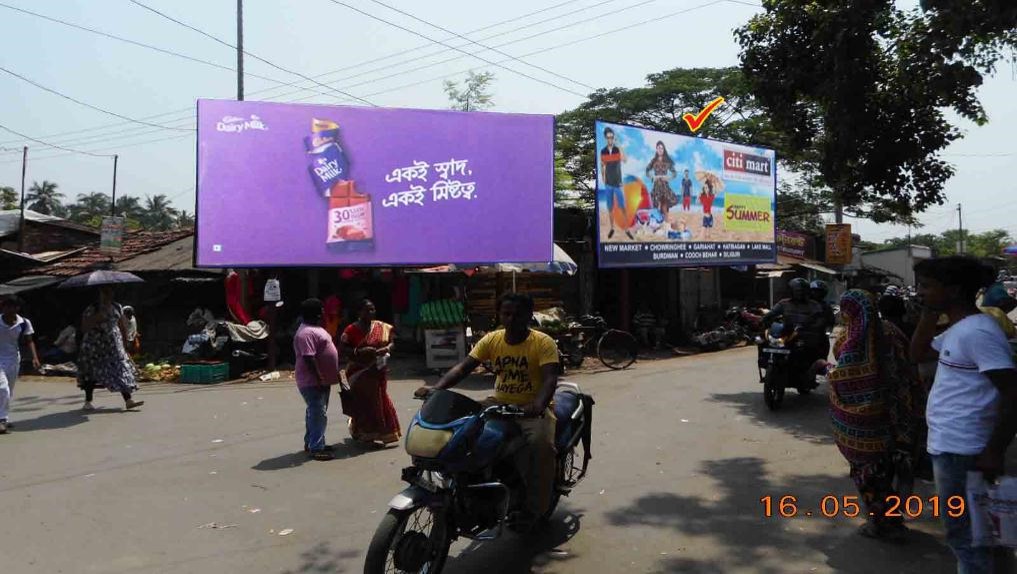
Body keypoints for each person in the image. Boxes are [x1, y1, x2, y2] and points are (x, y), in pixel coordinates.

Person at [910, 256, 1017, 573]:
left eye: (927, 286)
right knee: (979, 535)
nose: (920, 292)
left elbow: (1013, 392)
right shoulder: (961, 328)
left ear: (954, 290)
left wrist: (994, 450)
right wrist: (929, 313)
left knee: (967, 538)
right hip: (951, 447)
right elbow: (918, 353)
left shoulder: (978, 333)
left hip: (965, 450)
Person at [415, 293, 559, 524]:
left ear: (529, 315)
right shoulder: (492, 339)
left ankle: (536, 508)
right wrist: (437, 389)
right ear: (499, 315)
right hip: (498, 402)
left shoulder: (543, 342)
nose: (511, 319)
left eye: (518, 314)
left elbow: (550, 378)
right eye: (506, 313)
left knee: (541, 446)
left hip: (531, 409)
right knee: (460, 429)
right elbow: (463, 368)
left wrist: (538, 405)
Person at [829, 290, 921, 540]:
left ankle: (883, 524)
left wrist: (825, 370)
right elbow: (909, 365)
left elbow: (841, 375)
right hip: (896, 415)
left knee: (869, 477)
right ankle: (892, 519)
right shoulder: (891, 331)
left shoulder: (849, 337)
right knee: (889, 469)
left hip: (864, 426)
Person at [338, 299, 401, 446]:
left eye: (373, 309)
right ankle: (366, 434)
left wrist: (388, 348)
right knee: (365, 403)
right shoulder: (351, 330)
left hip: (378, 370)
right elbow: (343, 349)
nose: (371, 312)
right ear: (359, 312)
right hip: (359, 372)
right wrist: (359, 351)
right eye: (367, 310)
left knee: (380, 399)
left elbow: (392, 341)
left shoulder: (381, 326)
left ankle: (385, 433)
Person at [76, 286, 144, 411]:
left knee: (120, 369)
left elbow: (121, 325)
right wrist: (97, 317)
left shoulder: (117, 307)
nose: (107, 295)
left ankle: (128, 400)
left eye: (109, 292)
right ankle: (88, 401)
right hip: (94, 346)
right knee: (91, 373)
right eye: (105, 292)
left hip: (114, 345)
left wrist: (125, 342)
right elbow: (84, 328)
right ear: (100, 294)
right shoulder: (92, 308)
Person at [293, 298, 340, 461]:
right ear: (317, 313)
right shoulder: (306, 333)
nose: (324, 313)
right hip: (312, 381)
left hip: (322, 380)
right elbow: (309, 358)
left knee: (315, 412)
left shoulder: (315, 329)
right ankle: (316, 447)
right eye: (321, 310)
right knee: (318, 413)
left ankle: (313, 442)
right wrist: (319, 378)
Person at [763, 278, 829, 384]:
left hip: (804, 336)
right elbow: (771, 314)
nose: (800, 293)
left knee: (810, 349)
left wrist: (814, 326)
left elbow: (820, 319)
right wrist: (763, 320)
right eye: (797, 291)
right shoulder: (783, 303)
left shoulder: (814, 305)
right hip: (787, 334)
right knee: (763, 342)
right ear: (791, 291)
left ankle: (811, 372)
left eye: (802, 291)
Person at [0, 296, 40, 434]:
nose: (9, 309)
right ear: (2, 307)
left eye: (12, 306)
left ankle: (3, 417)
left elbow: (29, 341)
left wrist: (35, 357)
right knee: (3, 388)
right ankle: (2, 420)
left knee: (9, 390)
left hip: (13, 359)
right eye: (6, 306)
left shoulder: (24, 323)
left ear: (17, 308)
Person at [599, 127, 633, 240]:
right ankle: (612, 228)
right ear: (605, 138)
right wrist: (603, 177)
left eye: (612, 137)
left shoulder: (617, 150)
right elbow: (602, 165)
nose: (610, 139)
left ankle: (627, 229)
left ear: (614, 137)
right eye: (608, 137)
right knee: (610, 208)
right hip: (608, 184)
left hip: (618, 183)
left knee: (622, 207)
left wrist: (619, 145)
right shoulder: (603, 151)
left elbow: (625, 160)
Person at [645, 141, 678, 217]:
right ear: (656, 149)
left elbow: (674, 173)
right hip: (656, 186)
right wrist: (653, 177)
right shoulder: (653, 161)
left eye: (662, 148)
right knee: (656, 206)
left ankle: (665, 221)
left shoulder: (667, 161)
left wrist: (668, 177)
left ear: (664, 149)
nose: (660, 150)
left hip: (664, 186)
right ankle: (658, 221)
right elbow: (647, 171)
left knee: (664, 206)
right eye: (658, 148)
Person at [809, 280, 837, 359]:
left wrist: (828, 331)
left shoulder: (826, 306)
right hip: (804, 333)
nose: (816, 294)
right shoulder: (804, 304)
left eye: (819, 292)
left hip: (820, 334)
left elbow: (831, 320)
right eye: (815, 291)